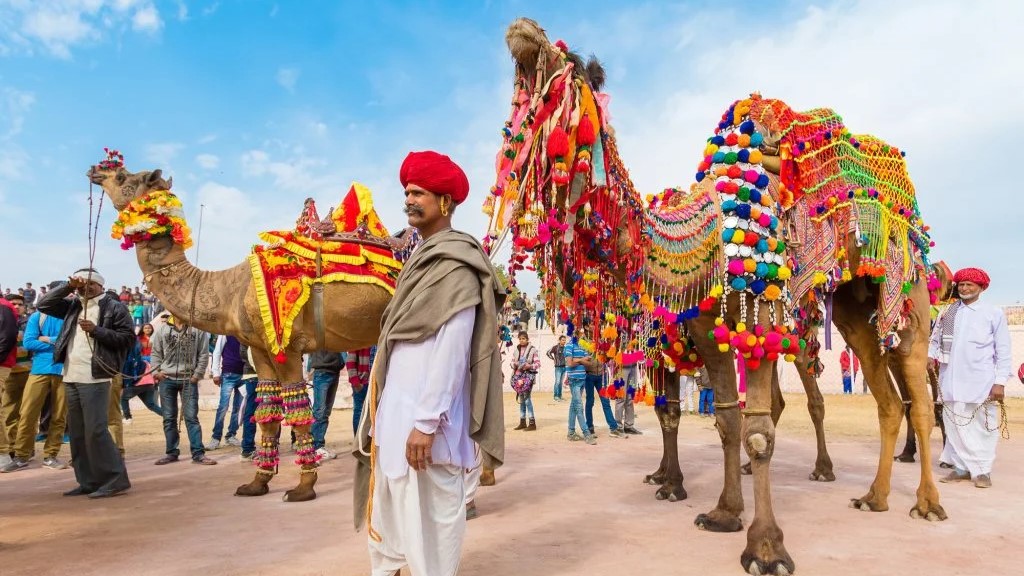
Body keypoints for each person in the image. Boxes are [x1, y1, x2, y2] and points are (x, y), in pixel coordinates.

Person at [354, 150, 505, 576]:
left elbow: (452, 350)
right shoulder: (418, 262)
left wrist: (425, 423)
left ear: (446, 202)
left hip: (428, 428)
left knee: (429, 540)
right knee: (390, 527)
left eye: (419, 192)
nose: (410, 199)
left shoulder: (455, 266)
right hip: (394, 420)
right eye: (406, 192)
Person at [34, 269, 133, 497]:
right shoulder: (73, 305)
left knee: (96, 430)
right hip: (70, 376)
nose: (84, 288)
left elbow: (127, 339)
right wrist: (68, 287)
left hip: (96, 376)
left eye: (89, 284)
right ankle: (88, 481)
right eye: (80, 284)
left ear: (100, 285)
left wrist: (97, 331)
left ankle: (115, 479)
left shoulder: (114, 307)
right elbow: (44, 305)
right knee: (78, 433)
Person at [930, 267, 1011, 488]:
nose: (964, 288)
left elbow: (1003, 351)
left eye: (970, 285)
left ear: (981, 288)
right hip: (950, 380)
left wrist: (1000, 382)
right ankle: (961, 469)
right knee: (954, 424)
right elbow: (934, 341)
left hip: (981, 382)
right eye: (961, 284)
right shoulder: (947, 313)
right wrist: (930, 356)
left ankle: (982, 470)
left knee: (982, 427)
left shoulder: (993, 314)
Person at [5, 304, 67, 471]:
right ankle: (21, 456)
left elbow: (71, 342)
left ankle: (51, 455)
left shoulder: (70, 315)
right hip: (40, 369)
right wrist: (58, 341)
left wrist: (46, 339)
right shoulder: (37, 317)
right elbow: (29, 342)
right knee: (27, 413)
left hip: (63, 370)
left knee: (59, 415)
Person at [151, 313, 215, 466]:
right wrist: (156, 372)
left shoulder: (197, 329)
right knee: (168, 418)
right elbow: (155, 353)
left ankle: (198, 453)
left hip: (189, 379)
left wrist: (197, 375)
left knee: (191, 417)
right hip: (166, 379)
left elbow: (203, 354)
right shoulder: (162, 329)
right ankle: (171, 452)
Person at [0, 293, 30, 470]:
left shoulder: (4, 308)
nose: (17, 306)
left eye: (20, 304)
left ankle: (10, 452)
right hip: (11, 370)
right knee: (9, 410)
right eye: (14, 303)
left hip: (24, 370)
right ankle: (9, 450)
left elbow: (9, 337)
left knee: (24, 411)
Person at [206, 335, 247, 450]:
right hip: (228, 374)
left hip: (244, 375)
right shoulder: (226, 333)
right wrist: (216, 373)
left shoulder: (246, 333)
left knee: (239, 409)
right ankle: (215, 438)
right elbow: (217, 352)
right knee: (223, 407)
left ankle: (231, 435)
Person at [307, 349, 344, 460]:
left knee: (325, 412)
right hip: (322, 371)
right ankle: (313, 448)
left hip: (334, 371)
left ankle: (319, 446)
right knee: (319, 411)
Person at [583, 352, 625, 439]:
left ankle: (613, 428)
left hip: (602, 378)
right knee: (590, 402)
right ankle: (590, 427)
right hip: (589, 376)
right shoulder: (585, 343)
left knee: (606, 402)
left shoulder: (604, 342)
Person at [119, 337, 161, 421]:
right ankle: (168, 416)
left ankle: (127, 417)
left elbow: (128, 373)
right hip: (149, 384)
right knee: (151, 404)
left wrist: (124, 386)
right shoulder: (145, 360)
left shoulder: (129, 360)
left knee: (123, 398)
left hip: (137, 383)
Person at [563, 336, 595, 445]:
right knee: (579, 407)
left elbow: (589, 363)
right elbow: (569, 363)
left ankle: (571, 432)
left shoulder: (583, 345)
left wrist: (577, 360)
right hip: (574, 380)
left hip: (582, 379)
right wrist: (582, 360)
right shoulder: (569, 345)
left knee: (574, 407)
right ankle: (586, 433)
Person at [510, 331, 540, 431]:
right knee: (522, 400)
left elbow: (538, 364)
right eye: (520, 339)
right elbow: (512, 362)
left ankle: (532, 423)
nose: (522, 340)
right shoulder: (516, 350)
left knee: (527, 400)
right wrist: (514, 364)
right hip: (518, 378)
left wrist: (529, 366)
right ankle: (522, 422)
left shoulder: (533, 350)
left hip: (527, 378)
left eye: (523, 338)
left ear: (527, 339)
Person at [346, 347, 374, 435]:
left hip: (375, 383)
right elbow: (350, 362)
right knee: (359, 412)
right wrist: (356, 383)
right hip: (362, 383)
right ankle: (357, 443)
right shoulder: (359, 338)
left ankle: (369, 443)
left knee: (374, 413)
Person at [616, 347, 643, 435]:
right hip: (622, 366)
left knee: (630, 397)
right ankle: (618, 426)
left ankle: (629, 425)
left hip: (633, 366)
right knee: (621, 397)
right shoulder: (622, 333)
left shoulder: (636, 334)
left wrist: (639, 355)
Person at [546, 335, 567, 401]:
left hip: (564, 367)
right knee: (557, 382)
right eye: (563, 340)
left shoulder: (565, 348)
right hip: (558, 367)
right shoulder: (555, 347)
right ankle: (556, 396)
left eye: (564, 340)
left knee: (561, 382)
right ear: (559, 340)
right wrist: (553, 359)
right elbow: (548, 352)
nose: (564, 341)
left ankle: (560, 396)